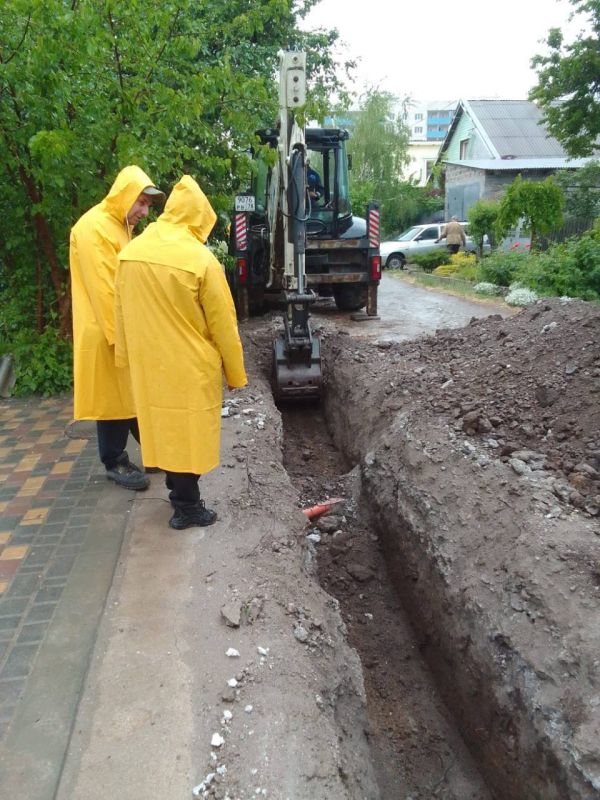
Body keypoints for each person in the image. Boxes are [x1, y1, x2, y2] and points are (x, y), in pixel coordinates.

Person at [114, 175, 248, 530]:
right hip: (188, 367)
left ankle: (178, 489)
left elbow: (120, 314)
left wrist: (125, 361)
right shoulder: (201, 261)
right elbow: (224, 325)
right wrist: (235, 374)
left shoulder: (130, 254)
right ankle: (187, 507)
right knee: (188, 434)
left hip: (148, 366)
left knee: (164, 428)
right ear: (199, 217)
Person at [70, 165, 165, 491]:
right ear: (124, 195)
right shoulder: (95, 228)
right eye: (140, 202)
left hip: (122, 329)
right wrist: (124, 339)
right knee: (115, 399)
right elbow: (105, 291)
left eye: (148, 206)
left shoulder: (117, 226)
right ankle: (115, 461)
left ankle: (155, 452)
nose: (143, 211)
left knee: (132, 393)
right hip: (106, 331)